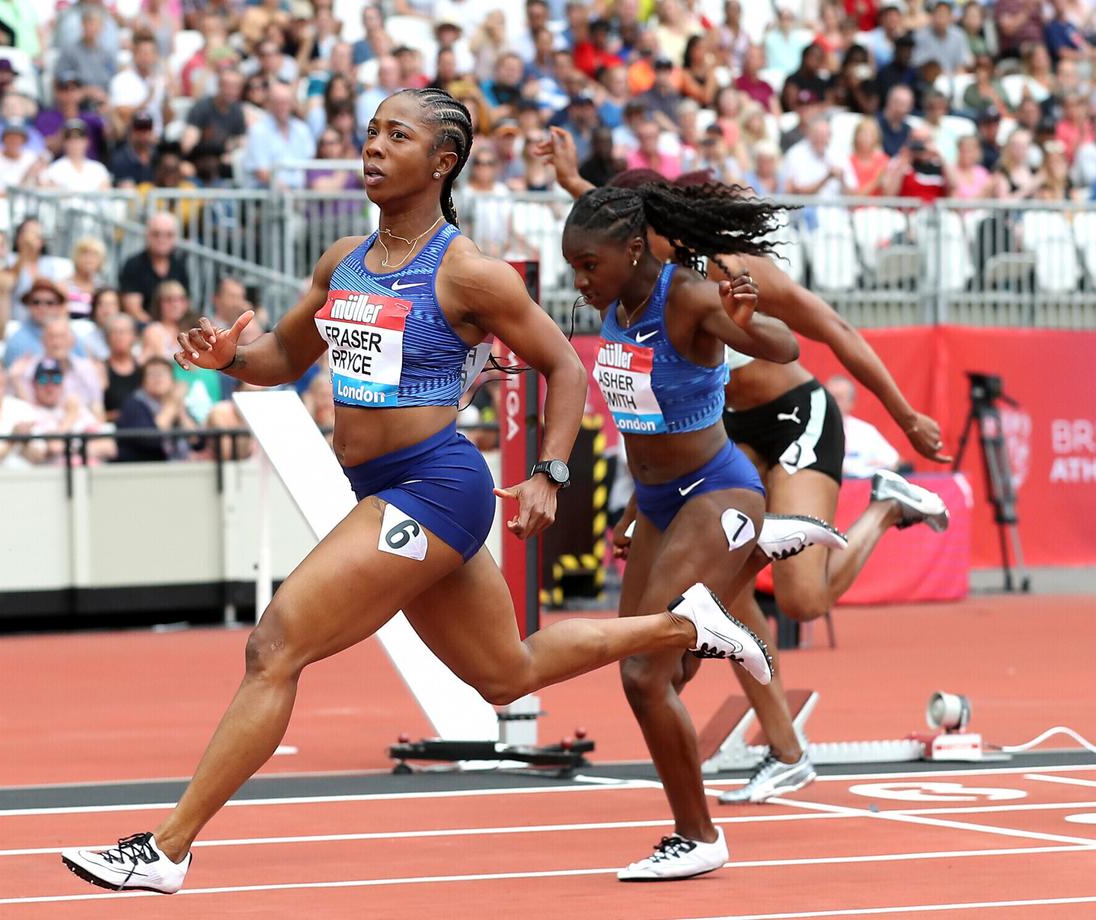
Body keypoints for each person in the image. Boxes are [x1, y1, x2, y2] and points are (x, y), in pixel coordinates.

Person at [60, 88, 771, 895]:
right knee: (506, 675)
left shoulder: (469, 273)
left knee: (274, 648)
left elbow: (564, 366)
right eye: (370, 132)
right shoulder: (342, 260)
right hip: (387, 489)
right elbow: (279, 360)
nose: (372, 147)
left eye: (395, 136)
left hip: (433, 486)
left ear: (442, 162)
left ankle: (166, 849)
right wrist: (228, 359)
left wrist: (550, 471)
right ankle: (685, 624)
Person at [544, 143, 954, 816]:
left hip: (794, 418)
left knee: (802, 601)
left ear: (651, 235)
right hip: (722, 438)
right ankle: (788, 753)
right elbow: (602, 237)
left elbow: (833, 331)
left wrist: (905, 416)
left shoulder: (729, 272)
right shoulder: (636, 279)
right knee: (727, 599)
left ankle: (883, 506)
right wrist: (570, 181)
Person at [826, 375, 903, 479]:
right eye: (829, 397)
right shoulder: (811, 429)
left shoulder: (865, 431)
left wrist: (878, 465)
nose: (832, 402)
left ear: (850, 403)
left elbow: (894, 460)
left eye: (838, 398)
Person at [117, 211, 189, 322]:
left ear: (175, 238)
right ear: (147, 235)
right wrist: (156, 327)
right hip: (142, 326)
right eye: (156, 234)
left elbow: (185, 303)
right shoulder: (134, 264)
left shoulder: (179, 265)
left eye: (168, 235)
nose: (162, 239)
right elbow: (133, 309)